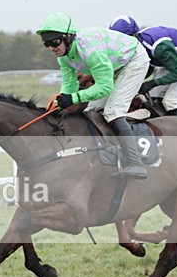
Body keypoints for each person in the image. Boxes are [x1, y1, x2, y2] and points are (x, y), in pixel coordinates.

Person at [36, 12, 150, 179]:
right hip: (115, 64)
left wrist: (74, 98)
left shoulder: (89, 50)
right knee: (93, 109)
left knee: (113, 111)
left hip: (134, 61)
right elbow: (69, 84)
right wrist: (61, 102)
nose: (52, 48)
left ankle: (136, 163)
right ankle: (109, 151)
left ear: (68, 37)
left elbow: (104, 87)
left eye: (55, 42)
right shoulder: (63, 56)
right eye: (47, 44)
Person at [108, 15, 177, 114]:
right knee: (154, 98)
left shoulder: (157, 47)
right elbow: (148, 68)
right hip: (168, 62)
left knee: (170, 102)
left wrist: (152, 83)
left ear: (134, 35)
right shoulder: (139, 45)